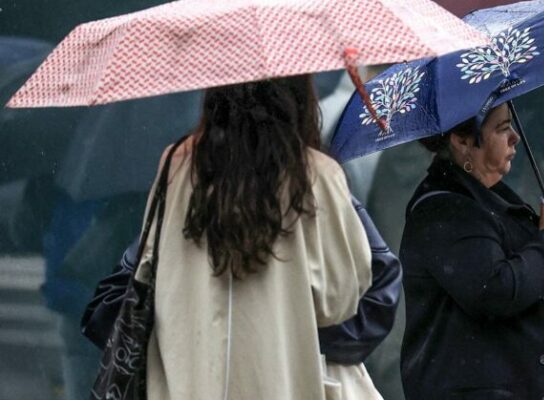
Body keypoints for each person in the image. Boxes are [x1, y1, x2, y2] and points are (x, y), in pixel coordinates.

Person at [131, 75, 372, 400]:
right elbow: (338, 301)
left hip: (186, 379)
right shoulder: (317, 176)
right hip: (279, 381)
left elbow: (148, 269)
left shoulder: (176, 165)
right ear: (297, 96)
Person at [399, 104, 544, 399]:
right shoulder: (444, 210)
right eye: (502, 129)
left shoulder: (487, 198)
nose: (515, 137)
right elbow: (493, 290)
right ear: (461, 141)